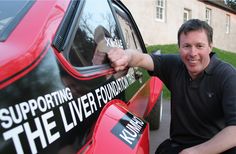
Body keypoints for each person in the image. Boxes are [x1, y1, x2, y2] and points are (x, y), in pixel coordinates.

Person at [107, 19, 236, 154]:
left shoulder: (227, 76)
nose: (192, 53)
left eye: (199, 46)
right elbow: (142, 59)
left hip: (216, 147)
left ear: (210, 46)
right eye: (186, 46)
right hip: (179, 146)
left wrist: (196, 152)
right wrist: (126, 55)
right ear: (179, 47)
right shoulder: (175, 65)